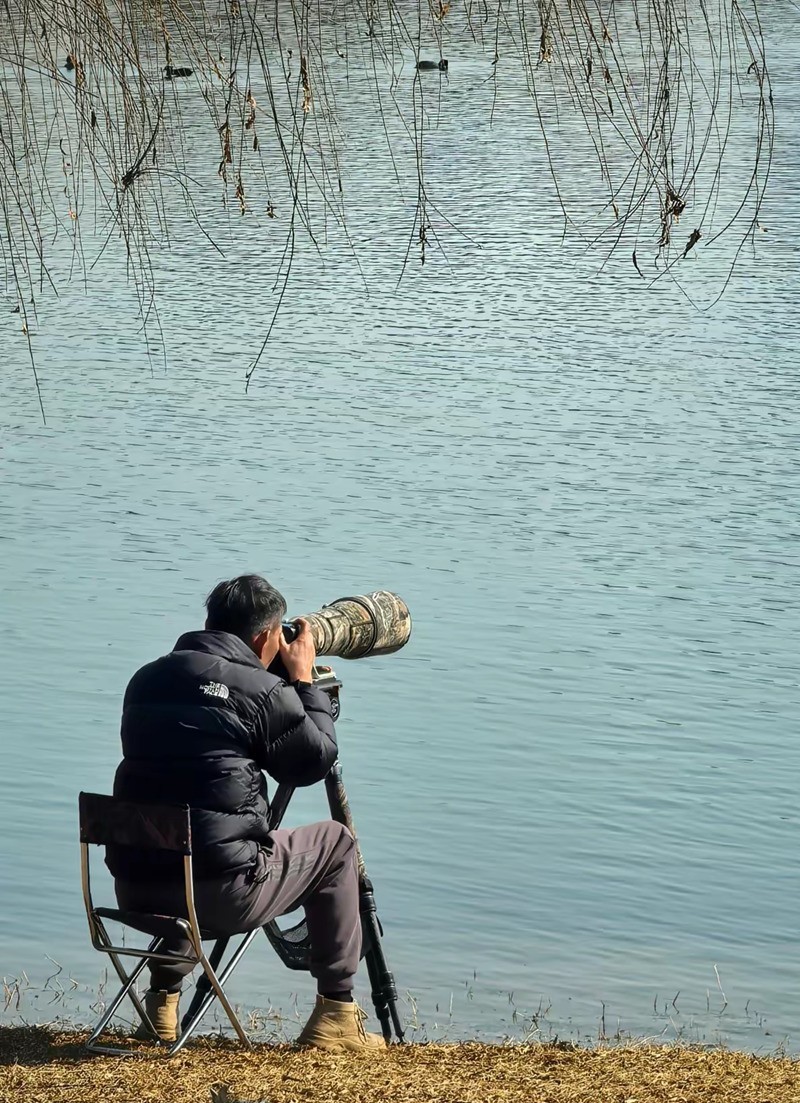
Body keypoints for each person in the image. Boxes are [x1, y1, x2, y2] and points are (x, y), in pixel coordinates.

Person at [106, 574, 384, 1052]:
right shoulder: (261, 692)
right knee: (336, 843)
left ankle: (161, 1005)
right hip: (219, 895)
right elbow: (311, 762)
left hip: (136, 890)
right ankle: (337, 1013)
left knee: (179, 826)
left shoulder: (146, 679)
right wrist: (301, 684)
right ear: (264, 638)